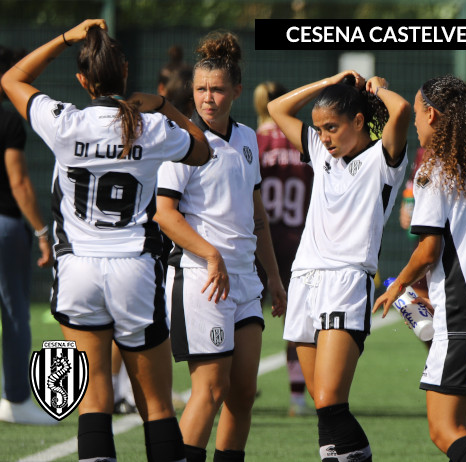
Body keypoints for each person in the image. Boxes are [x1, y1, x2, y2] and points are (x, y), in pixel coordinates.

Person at [1, 19, 211, 461]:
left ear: (82, 80)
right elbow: (202, 148)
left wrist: (67, 37)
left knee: (94, 400)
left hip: (77, 270)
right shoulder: (150, 127)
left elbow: (11, 79)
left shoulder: (63, 121)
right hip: (134, 268)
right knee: (155, 405)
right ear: (126, 72)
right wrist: (163, 106)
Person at [154, 31, 288, 462]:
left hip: (245, 280)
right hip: (202, 278)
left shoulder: (247, 138)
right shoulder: (181, 140)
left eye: (216, 89)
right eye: (200, 89)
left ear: (237, 91)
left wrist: (274, 277)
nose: (207, 98)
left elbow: (257, 214)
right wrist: (211, 255)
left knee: (243, 393)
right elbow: (165, 215)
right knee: (211, 389)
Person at [373, 75, 466, 462]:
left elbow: (428, 251)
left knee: (444, 430)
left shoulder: (435, 173)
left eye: (417, 114)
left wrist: (398, 286)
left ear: (432, 115)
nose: (415, 122)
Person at [268, 69, 410, 461]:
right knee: (321, 403)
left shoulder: (383, 158)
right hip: (304, 278)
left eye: (331, 127)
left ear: (359, 121)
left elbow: (401, 111)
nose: (324, 137)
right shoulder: (320, 151)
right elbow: (277, 109)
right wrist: (329, 82)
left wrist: (377, 89)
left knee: (331, 400)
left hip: (347, 280)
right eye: (319, 129)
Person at [110, 43, 196, 417]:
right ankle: (126, 391)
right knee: (142, 323)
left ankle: (118, 390)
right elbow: (199, 152)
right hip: (150, 237)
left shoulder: (141, 126)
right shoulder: (167, 132)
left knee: (128, 321)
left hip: (130, 234)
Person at [0, 44, 55, 426]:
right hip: (4, 226)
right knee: (16, 311)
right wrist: (42, 231)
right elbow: (19, 183)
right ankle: (16, 399)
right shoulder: (9, 122)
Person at [253, 80, 312, 417]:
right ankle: (297, 398)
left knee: (246, 317)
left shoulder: (253, 142)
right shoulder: (304, 142)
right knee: (296, 319)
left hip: (260, 240)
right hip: (298, 240)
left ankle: (237, 385)